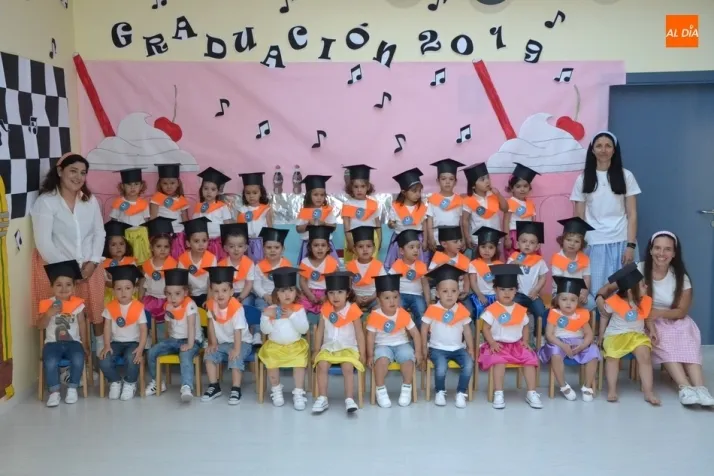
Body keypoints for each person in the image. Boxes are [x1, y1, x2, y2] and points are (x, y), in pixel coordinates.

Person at [31, 153, 106, 361]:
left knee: (96, 314)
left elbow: (99, 233)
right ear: (60, 171)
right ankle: (66, 363)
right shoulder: (46, 202)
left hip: (89, 267)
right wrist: (69, 272)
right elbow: (43, 242)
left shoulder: (89, 200)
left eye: (83, 173)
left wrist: (93, 262)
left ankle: (100, 358)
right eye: (73, 171)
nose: (78, 177)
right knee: (64, 316)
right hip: (59, 273)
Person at [640, 232, 712, 406]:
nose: (661, 253)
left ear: (674, 253)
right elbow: (617, 288)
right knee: (665, 339)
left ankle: (701, 388)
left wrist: (659, 313)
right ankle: (685, 387)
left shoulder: (680, 277)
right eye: (657, 248)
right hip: (648, 320)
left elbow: (681, 311)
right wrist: (601, 296)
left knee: (687, 337)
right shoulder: (640, 269)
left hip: (672, 317)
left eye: (667, 249)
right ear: (650, 250)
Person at [570, 131, 641, 301]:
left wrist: (630, 246)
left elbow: (632, 214)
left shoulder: (626, 176)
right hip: (594, 243)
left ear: (614, 150)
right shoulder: (583, 179)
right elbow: (579, 216)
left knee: (624, 293)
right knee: (595, 293)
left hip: (621, 242)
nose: (603, 150)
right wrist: (578, 245)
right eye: (599, 146)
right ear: (592, 150)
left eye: (608, 146)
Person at [478, 264, 542, 409]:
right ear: (495, 290)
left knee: (530, 360)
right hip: (497, 345)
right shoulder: (492, 310)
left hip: (517, 345)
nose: (506, 293)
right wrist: (492, 342)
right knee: (499, 362)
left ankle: (531, 392)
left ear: (516, 291)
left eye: (511, 289)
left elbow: (525, 325)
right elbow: (485, 328)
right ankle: (498, 392)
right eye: (502, 289)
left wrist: (525, 341)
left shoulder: (520, 309)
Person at [595, 263, 660, 405]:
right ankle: (612, 390)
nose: (646, 287)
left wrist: (652, 330)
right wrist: (601, 336)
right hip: (615, 335)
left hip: (637, 335)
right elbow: (604, 316)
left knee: (645, 356)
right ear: (631, 291)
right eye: (642, 285)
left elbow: (647, 317)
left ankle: (648, 392)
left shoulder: (645, 301)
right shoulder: (614, 302)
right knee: (612, 357)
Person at [311, 271, 367, 414]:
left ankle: (349, 399)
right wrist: (316, 350)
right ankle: (322, 398)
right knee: (322, 365)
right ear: (327, 294)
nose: (335, 296)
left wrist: (363, 353)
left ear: (347, 294)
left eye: (340, 292)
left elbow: (360, 333)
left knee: (347, 367)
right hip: (328, 348)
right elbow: (320, 331)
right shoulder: (325, 310)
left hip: (348, 348)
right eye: (331, 293)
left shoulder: (353, 310)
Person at [538, 277, 600, 402]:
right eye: (564, 299)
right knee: (555, 353)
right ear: (557, 300)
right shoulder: (554, 313)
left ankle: (587, 386)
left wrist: (583, 345)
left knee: (594, 352)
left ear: (578, 301)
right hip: (559, 343)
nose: (568, 303)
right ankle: (563, 386)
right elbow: (549, 334)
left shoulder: (581, 314)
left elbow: (588, 334)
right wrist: (563, 345)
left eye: (573, 300)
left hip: (578, 344)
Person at [421, 264, 475, 408]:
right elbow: (424, 329)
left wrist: (470, 348)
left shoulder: (461, 310)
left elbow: (467, 331)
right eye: (445, 291)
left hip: (458, 348)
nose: (450, 295)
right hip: (437, 348)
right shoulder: (432, 309)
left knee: (468, 364)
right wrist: (423, 347)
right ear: (437, 293)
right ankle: (440, 391)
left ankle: (461, 393)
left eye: (454, 291)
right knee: (441, 367)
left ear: (459, 293)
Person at [145, 268, 203, 402]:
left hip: (192, 340)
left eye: (177, 293)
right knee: (152, 352)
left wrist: (189, 344)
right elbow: (169, 325)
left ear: (185, 292)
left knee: (185, 355)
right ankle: (157, 382)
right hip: (174, 340)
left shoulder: (190, 305)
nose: (173, 298)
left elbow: (191, 325)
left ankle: (186, 386)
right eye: (169, 294)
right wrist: (166, 342)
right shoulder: (168, 305)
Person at [366, 274, 423, 408]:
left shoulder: (403, 313)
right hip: (382, 345)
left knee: (408, 358)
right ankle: (381, 390)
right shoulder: (375, 315)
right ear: (379, 300)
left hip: (402, 344)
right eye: (387, 298)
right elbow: (370, 337)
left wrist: (418, 352)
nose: (392, 301)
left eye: (395, 297)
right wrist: (370, 355)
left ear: (399, 297)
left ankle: (406, 388)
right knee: (381, 361)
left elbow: (415, 334)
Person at [37, 260, 89, 407]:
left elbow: (82, 323)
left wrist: (85, 344)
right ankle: (54, 392)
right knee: (50, 361)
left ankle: (72, 388)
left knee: (78, 358)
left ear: (74, 287)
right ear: (52, 287)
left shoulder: (78, 304)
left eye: (68, 284)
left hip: (74, 343)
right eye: (59, 284)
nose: (64, 288)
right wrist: (48, 313)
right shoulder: (46, 304)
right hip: (52, 343)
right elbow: (40, 326)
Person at [258, 267, 310, 410]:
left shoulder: (299, 309)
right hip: (275, 346)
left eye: (291, 290)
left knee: (299, 363)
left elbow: (304, 329)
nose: (287, 294)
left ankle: (298, 392)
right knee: (271, 363)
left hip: (295, 346)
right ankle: (276, 390)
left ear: (296, 292)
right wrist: (266, 317)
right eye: (282, 291)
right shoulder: (271, 309)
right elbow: (265, 330)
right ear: (276, 293)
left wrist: (292, 316)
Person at [201, 267, 253, 405]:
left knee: (235, 357)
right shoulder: (211, 305)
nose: (220, 294)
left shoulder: (237, 308)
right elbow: (211, 324)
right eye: (216, 291)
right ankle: (214, 386)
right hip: (223, 343)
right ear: (211, 292)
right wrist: (212, 343)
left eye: (224, 290)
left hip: (242, 342)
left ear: (231, 291)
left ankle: (236, 388)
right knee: (209, 355)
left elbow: (238, 331)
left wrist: (236, 349)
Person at [98, 265, 148, 401]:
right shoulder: (110, 307)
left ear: (134, 289)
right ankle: (115, 381)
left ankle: (130, 383)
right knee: (104, 360)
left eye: (127, 288)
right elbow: (106, 327)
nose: (123, 292)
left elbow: (144, 329)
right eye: (119, 289)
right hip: (115, 343)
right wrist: (106, 345)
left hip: (134, 343)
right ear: (113, 290)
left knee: (132, 358)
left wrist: (140, 348)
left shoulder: (138, 307)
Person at [252, 227, 292, 343]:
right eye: (269, 247)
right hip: (264, 296)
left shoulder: (286, 265)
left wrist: (279, 297)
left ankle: (280, 332)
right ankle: (258, 333)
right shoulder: (259, 266)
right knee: (260, 308)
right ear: (263, 248)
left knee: (285, 309)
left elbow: (288, 285)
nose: (272, 250)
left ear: (283, 249)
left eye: (276, 247)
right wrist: (265, 295)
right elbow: (256, 285)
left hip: (282, 296)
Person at [507, 221, 548, 332]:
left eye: (532, 242)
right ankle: (514, 332)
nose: (527, 245)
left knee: (540, 312)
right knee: (511, 309)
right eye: (524, 241)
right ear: (517, 244)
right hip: (518, 294)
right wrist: (513, 264)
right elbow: (507, 272)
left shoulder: (539, 261)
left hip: (533, 295)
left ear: (537, 246)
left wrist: (536, 290)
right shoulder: (514, 257)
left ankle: (538, 333)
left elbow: (543, 278)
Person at [385, 168, 429, 268]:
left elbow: (424, 225)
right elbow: (391, 223)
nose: (418, 194)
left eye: (419, 191)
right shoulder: (395, 206)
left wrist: (425, 240)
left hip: (417, 241)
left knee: (417, 266)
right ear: (404, 192)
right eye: (414, 191)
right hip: (400, 241)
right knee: (399, 266)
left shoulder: (422, 207)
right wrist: (390, 224)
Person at [139, 217, 178, 329]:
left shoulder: (173, 264)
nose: (162, 249)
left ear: (170, 248)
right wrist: (140, 298)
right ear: (151, 247)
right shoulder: (147, 265)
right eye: (158, 246)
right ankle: (147, 334)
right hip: (150, 298)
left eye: (166, 246)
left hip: (168, 299)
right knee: (145, 318)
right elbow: (142, 283)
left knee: (172, 320)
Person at [550, 217, 596, 310]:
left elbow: (586, 277)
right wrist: (571, 297)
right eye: (569, 240)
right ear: (562, 240)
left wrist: (584, 293)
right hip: (560, 291)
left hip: (579, 292)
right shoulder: (557, 258)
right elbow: (558, 281)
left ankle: (578, 318)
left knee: (592, 304)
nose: (572, 244)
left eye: (576, 241)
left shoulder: (584, 259)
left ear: (581, 244)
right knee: (565, 304)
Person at [461, 162, 508, 253]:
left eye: (487, 177)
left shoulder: (494, 195)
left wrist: (498, 195)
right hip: (477, 240)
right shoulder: (469, 200)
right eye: (482, 179)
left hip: (494, 239)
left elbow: (505, 209)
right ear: (473, 185)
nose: (487, 181)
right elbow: (465, 220)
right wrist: (467, 237)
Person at [387, 229, 430, 329]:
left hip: (417, 295)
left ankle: (421, 334)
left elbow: (425, 284)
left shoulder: (421, 265)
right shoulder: (397, 265)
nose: (416, 250)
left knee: (421, 312)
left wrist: (428, 302)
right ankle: (400, 332)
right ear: (402, 251)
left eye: (418, 247)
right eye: (411, 247)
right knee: (398, 312)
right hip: (401, 295)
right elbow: (391, 283)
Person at [109, 168, 150, 264]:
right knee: (126, 259)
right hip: (125, 236)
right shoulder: (118, 203)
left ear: (141, 186)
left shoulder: (144, 203)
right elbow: (114, 221)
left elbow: (146, 221)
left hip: (140, 237)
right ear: (122, 186)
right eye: (129, 184)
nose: (132, 187)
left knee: (140, 260)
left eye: (136, 184)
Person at [342, 164, 381, 263]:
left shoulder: (373, 203)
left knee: (370, 264)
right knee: (354, 264)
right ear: (351, 187)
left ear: (368, 187)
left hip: (371, 238)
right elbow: (346, 225)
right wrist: (349, 240)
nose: (359, 190)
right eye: (356, 187)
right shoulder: (348, 204)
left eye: (363, 186)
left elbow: (377, 223)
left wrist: (380, 239)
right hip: (353, 237)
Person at [149, 163, 189, 259]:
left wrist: (188, 235)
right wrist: (153, 235)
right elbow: (153, 218)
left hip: (178, 234)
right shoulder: (156, 198)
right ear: (160, 184)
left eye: (172, 183)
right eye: (165, 183)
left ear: (178, 183)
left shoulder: (182, 200)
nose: (169, 186)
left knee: (178, 257)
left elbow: (185, 219)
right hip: (162, 234)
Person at [193, 167, 233, 261]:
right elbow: (195, 225)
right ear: (201, 189)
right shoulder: (198, 207)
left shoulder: (222, 207)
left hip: (218, 242)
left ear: (218, 191)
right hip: (203, 243)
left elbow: (227, 225)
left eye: (213, 189)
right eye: (205, 188)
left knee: (219, 262)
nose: (209, 192)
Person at [295, 175, 338, 263]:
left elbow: (334, 226)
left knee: (327, 266)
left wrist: (324, 224)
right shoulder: (304, 212)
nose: (319, 198)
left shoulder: (327, 210)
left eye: (322, 195)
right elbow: (298, 229)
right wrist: (308, 225)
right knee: (309, 266)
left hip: (325, 244)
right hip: (309, 244)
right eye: (315, 195)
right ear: (309, 195)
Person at [298, 226, 340, 315]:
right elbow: (302, 281)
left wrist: (327, 295)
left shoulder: (332, 262)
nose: (320, 248)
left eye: (323, 245)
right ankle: (304, 323)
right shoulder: (305, 262)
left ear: (328, 247)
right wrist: (310, 295)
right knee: (300, 307)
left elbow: (335, 282)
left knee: (331, 308)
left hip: (327, 293)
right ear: (310, 247)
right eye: (316, 245)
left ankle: (322, 323)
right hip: (309, 292)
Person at [177, 217, 217, 308]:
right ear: (188, 243)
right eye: (196, 241)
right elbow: (182, 283)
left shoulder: (211, 258)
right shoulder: (183, 259)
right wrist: (187, 300)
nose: (201, 244)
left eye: (204, 240)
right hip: (189, 295)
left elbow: (212, 282)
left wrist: (209, 300)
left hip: (207, 294)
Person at [429, 226, 472, 312]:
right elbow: (429, 276)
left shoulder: (464, 259)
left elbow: (466, 277)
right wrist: (438, 266)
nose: (459, 244)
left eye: (460, 240)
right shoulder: (438, 257)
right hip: (443, 294)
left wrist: (466, 291)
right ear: (444, 244)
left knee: (469, 310)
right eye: (455, 242)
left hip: (460, 293)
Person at [426, 159, 465, 252]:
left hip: (455, 241)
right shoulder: (433, 199)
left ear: (455, 182)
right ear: (438, 181)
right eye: (443, 179)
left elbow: (461, 222)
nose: (447, 182)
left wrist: (463, 238)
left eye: (451, 179)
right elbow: (430, 221)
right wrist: (430, 238)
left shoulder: (459, 200)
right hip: (437, 241)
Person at [345, 226, 387, 311]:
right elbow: (348, 286)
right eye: (360, 247)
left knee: (380, 307)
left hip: (374, 297)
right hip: (355, 298)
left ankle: (371, 316)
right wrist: (355, 297)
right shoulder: (350, 266)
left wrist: (372, 297)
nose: (365, 249)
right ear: (354, 249)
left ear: (374, 249)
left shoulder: (378, 265)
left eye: (368, 246)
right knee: (347, 308)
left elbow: (382, 286)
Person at [468, 226, 506, 317]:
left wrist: (498, 295)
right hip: (479, 295)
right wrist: (480, 295)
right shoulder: (474, 264)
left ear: (496, 249)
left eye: (491, 247)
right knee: (479, 309)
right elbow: (473, 282)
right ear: (478, 247)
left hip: (495, 296)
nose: (486, 250)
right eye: (483, 247)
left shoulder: (499, 264)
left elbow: (500, 283)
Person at [503, 163, 539, 255]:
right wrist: (507, 238)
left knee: (529, 258)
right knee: (515, 257)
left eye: (525, 186)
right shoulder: (510, 202)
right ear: (512, 188)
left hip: (529, 235)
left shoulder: (530, 204)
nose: (522, 189)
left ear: (529, 188)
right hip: (514, 234)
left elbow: (533, 222)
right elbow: (506, 221)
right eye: (518, 186)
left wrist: (536, 237)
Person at [236, 172, 273, 262]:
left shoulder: (266, 209)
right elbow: (239, 229)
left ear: (261, 193)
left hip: (262, 242)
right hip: (247, 243)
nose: (251, 196)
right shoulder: (242, 210)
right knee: (247, 264)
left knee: (262, 264)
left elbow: (270, 227)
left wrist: (271, 242)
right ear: (244, 194)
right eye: (248, 193)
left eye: (255, 193)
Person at [218, 223, 255, 304]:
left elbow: (249, 284)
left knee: (246, 304)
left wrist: (240, 298)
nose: (236, 249)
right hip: (227, 294)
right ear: (225, 248)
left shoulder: (249, 263)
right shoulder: (221, 265)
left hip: (245, 294)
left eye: (240, 246)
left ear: (245, 247)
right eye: (231, 246)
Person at [101, 220, 137, 304]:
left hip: (128, 296)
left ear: (126, 245)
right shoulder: (104, 263)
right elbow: (106, 282)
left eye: (121, 244)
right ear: (107, 247)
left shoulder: (131, 262)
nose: (118, 247)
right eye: (113, 245)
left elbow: (135, 280)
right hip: (111, 297)